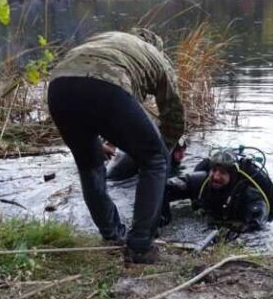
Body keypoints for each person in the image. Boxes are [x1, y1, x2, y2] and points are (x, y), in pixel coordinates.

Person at [47, 28, 184, 264]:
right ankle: (140, 246)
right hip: (107, 88)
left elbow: (96, 94)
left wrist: (104, 141)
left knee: (90, 165)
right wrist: (165, 150)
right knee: (155, 159)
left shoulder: (107, 39)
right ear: (157, 47)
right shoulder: (155, 55)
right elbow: (174, 114)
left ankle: (112, 236)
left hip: (59, 87)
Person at [163, 148, 273, 235]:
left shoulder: (248, 195)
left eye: (223, 172)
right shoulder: (200, 182)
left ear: (232, 176)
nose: (216, 176)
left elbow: (257, 225)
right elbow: (166, 188)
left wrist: (235, 232)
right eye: (214, 170)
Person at [106, 135, 189, 181]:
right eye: (179, 152)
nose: (182, 156)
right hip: (118, 180)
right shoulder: (160, 156)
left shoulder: (157, 146)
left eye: (184, 151)